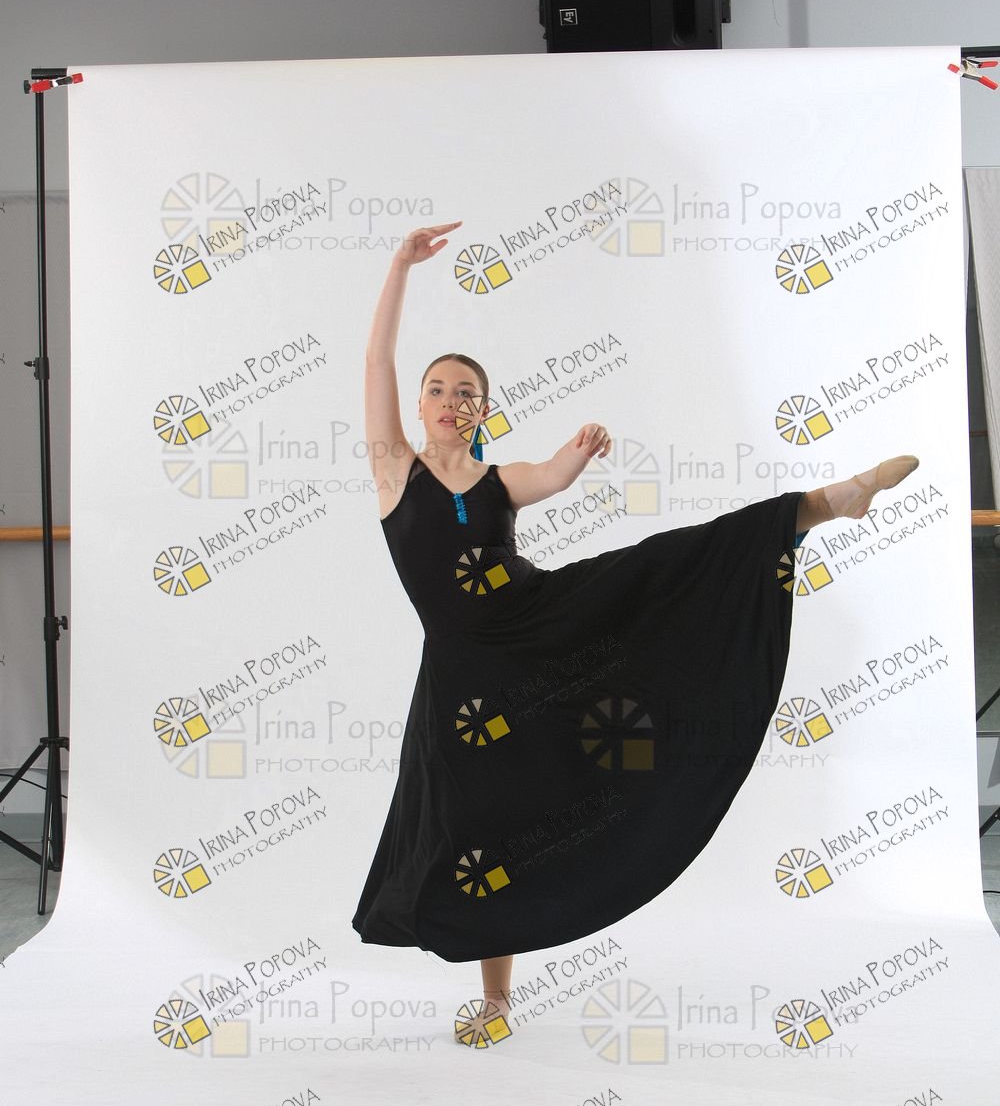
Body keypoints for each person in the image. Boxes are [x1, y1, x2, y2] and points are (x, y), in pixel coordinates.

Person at [351, 222, 918, 1029]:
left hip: (539, 625)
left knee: (659, 567)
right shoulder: (393, 471)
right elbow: (375, 362)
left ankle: (822, 504)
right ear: (419, 405)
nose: (449, 401)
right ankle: (497, 999)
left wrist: (576, 456)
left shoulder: (499, 479)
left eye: (465, 392)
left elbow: (549, 475)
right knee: (484, 826)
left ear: (483, 411)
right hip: (463, 679)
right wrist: (399, 265)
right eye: (437, 389)